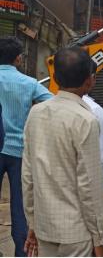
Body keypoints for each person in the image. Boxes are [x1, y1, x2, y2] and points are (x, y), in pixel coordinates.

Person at [22, 47, 103, 257]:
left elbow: (28, 175)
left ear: (54, 76)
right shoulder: (86, 120)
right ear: (89, 80)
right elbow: (90, 187)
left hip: (44, 226)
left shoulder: (36, 113)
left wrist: (32, 222)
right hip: (75, 232)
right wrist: (99, 239)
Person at [0, 36, 52, 256]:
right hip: (20, 152)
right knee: (20, 207)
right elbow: (53, 104)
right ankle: (21, 252)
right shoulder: (29, 83)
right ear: (18, 58)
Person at [83, 60, 103, 189]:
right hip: (86, 185)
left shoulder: (38, 111)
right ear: (91, 78)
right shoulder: (95, 111)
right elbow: (100, 155)